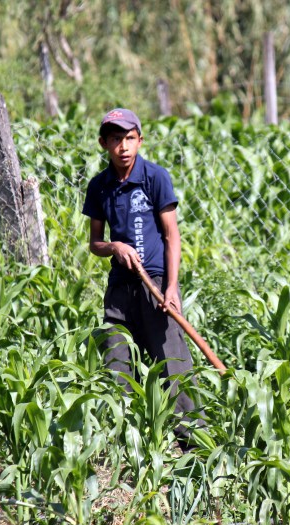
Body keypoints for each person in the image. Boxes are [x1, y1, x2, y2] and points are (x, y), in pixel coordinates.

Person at [82, 108, 200, 448]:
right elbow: (95, 243)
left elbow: (172, 236)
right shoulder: (99, 187)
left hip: (156, 288)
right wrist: (115, 247)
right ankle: (128, 451)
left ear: (140, 140)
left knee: (174, 369)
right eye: (115, 139)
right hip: (120, 292)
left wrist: (172, 288)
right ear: (104, 143)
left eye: (129, 138)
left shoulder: (155, 177)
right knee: (117, 367)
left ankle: (196, 450)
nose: (123, 146)